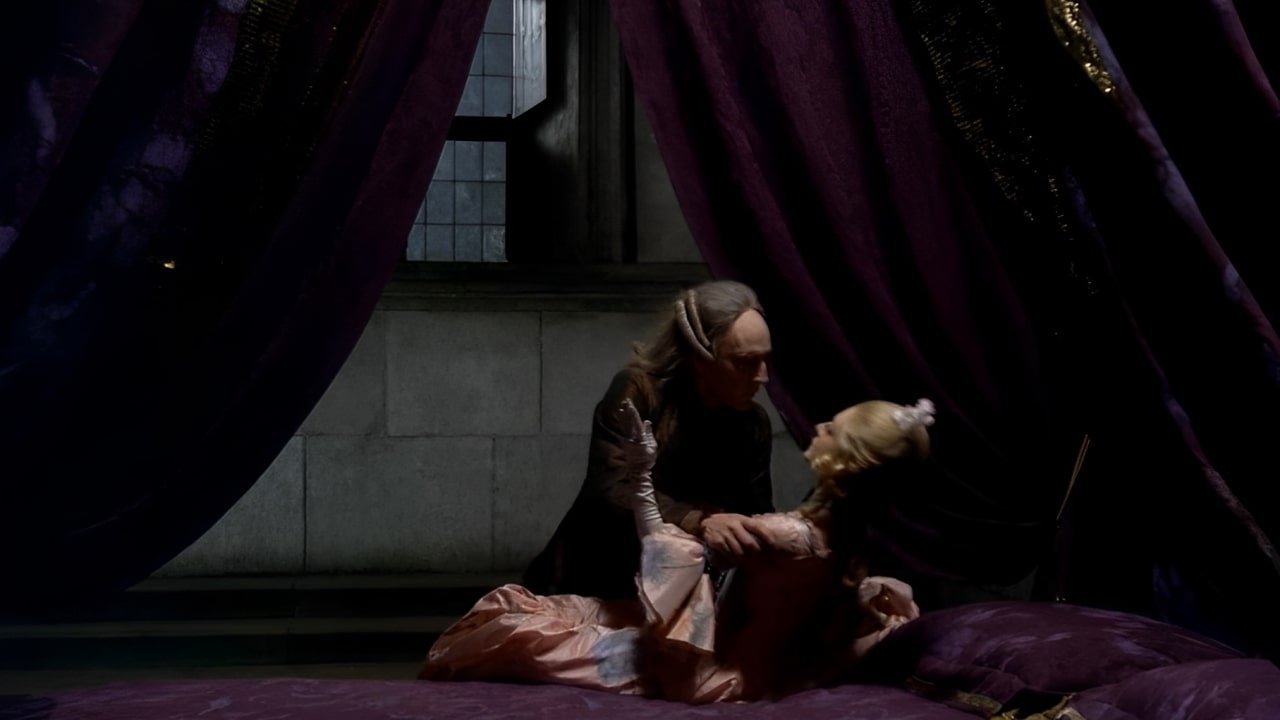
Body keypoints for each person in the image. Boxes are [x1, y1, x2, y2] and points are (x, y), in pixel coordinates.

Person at [421, 397, 935, 703]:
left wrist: (643, 477)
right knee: (570, 610)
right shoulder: (844, 541)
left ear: (845, 461)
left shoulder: (787, 535)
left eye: (832, 429)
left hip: (706, 674)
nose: (819, 428)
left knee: (516, 631)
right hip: (750, 662)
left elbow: (665, 547)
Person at [522, 280, 776, 600]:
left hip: (679, 589)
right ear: (699, 357)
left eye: (765, 359)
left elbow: (756, 511)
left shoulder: (752, 423)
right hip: (597, 577)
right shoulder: (640, 392)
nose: (763, 376)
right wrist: (698, 520)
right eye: (744, 362)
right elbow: (612, 487)